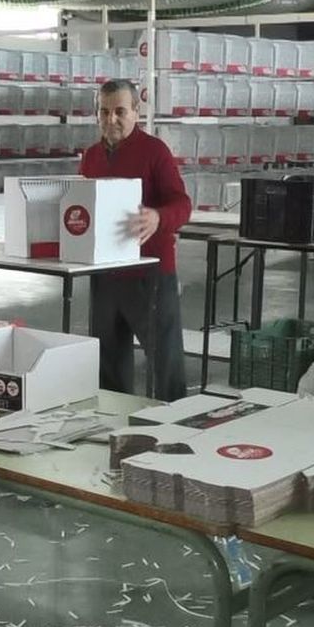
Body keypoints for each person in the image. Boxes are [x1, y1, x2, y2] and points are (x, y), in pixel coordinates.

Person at [79, 78, 191, 401]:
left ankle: (175, 419)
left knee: (165, 361)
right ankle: (113, 418)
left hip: (149, 273)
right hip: (104, 274)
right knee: (108, 361)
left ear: (136, 112)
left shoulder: (155, 152)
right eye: (104, 112)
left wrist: (158, 217)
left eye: (119, 111)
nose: (111, 119)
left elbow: (182, 204)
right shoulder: (91, 157)